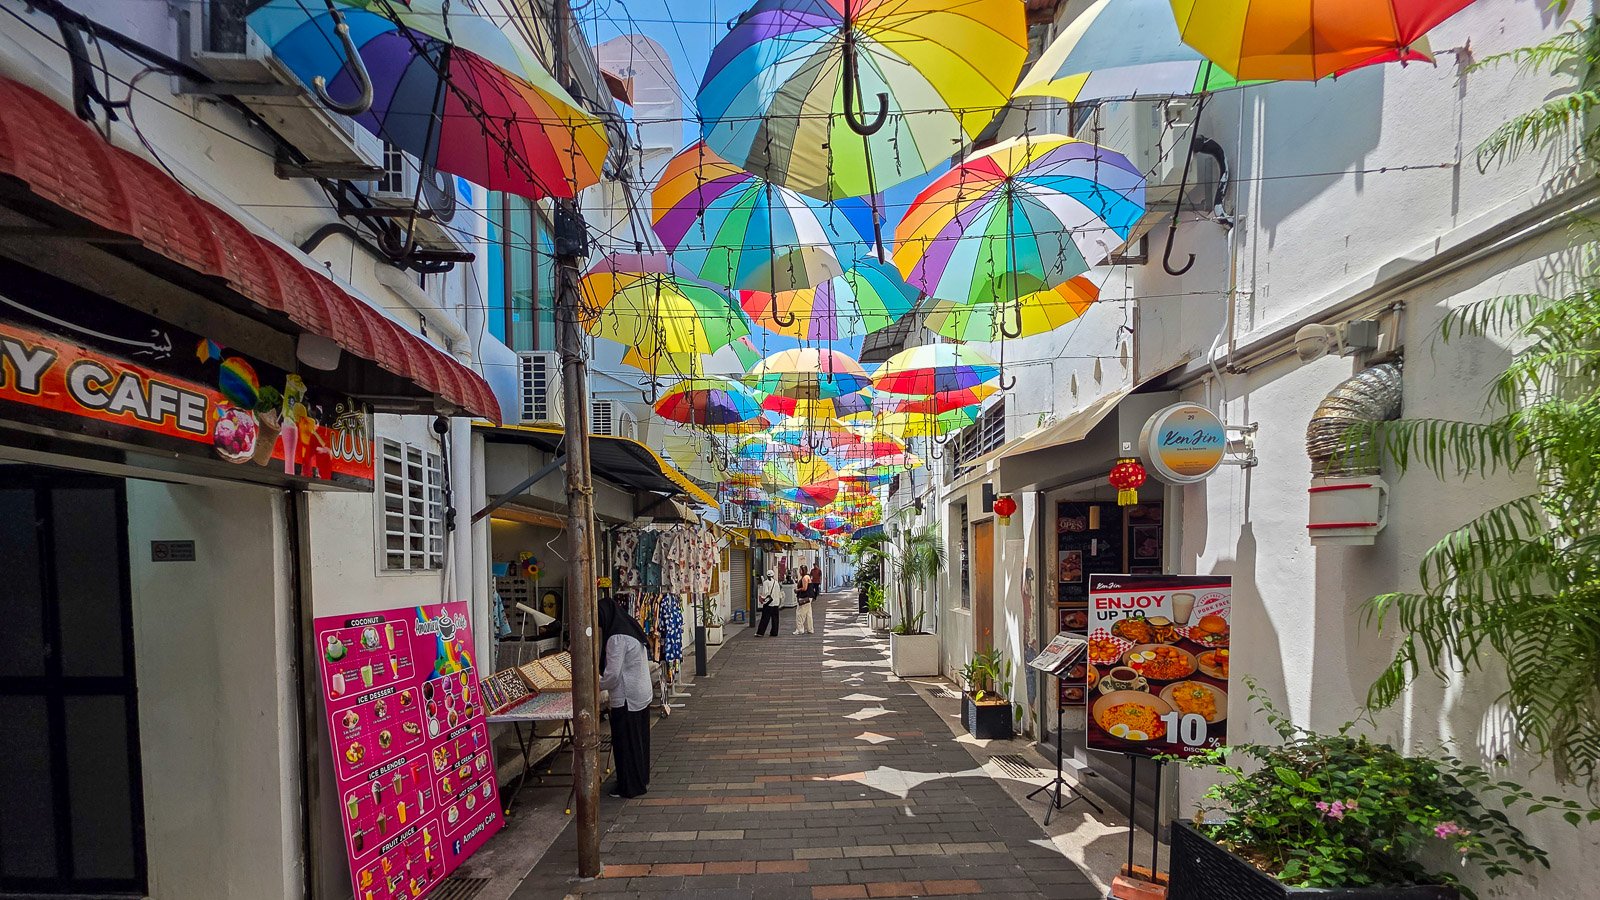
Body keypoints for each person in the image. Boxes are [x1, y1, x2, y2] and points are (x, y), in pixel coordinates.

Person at [599, 596, 652, 798]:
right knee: (639, 740)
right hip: (641, 693)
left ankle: (629, 786)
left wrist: (596, 685)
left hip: (628, 697)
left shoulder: (616, 639)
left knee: (626, 743)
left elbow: (612, 675)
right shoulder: (629, 628)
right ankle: (640, 778)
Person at [755, 570, 780, 637]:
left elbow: (765, 593)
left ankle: (760, 632)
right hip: (776, 603)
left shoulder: (766, 582)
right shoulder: (776, 582)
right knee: (775, 619)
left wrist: (761, 598)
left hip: (769, 603)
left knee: (765, 618)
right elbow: (778, 593)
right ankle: (774, 632)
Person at [794, 567, 816, 635]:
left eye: (800, 570)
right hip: (809, 597)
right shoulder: (807, 577)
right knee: (808, 613)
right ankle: (810, 629)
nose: (799, 571)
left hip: (805, 597)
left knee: (800, 613)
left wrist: (797, 590)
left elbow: (804, 588)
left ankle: (800, 629)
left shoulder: (805, 578)